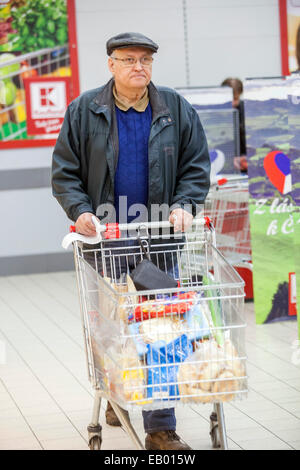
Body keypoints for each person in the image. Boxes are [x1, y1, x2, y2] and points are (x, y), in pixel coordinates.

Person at [52, 32, 210, 450]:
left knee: (160, 332)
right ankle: (116, 392)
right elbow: (65, 172)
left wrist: (184, 205)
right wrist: (81, 211)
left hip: (158, 238)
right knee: (113, 329)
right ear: (111, 64)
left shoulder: (175, 108)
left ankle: (160, 426)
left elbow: (195, 166)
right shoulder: (84, 110)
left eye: (145, 60)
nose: (138, 67)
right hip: (107, 240)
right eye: (128, 59)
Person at [221, 77, 247, 173]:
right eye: (229, 99)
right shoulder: (217, 115)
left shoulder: (245, 111)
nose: (232, 103)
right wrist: (230, 159)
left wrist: (245, 157)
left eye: (235, 99)